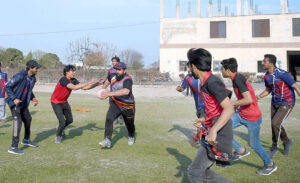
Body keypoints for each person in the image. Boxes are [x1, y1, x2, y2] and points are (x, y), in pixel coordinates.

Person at [221, 58, 276, 175]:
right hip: (241, 114)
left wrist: (231, 104)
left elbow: (248, 99)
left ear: (228, 70)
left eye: (222, 69)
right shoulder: (236, 78)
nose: (221, 71)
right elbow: (243, 97)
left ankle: (270, 164)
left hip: (252, 117)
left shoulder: (238, 79)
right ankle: (241, 150)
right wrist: (235, 107)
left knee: (255, 145)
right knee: (223, 129)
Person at [187, 48, 234, 183]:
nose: (189, 70)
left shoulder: (212, 82)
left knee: (194, 171)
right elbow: (216, 108)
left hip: (219, 133)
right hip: (213, 130)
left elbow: (229, 108)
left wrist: (213, 130)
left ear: (194, 66)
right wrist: (204, 119)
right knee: (203, 172)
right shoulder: (206, 82)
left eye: (189, 66)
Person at [257, 54, 300, 158]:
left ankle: (274, 146)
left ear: (271, 64)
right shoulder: (267, 76)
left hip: (287, 102)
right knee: (276, 124)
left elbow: (294, 85)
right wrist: (259, 96)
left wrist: (299, 93)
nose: (263, 63)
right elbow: (268, 90)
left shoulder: (282, 74)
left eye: (265, 61)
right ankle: (287, 141)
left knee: (275, 123)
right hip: (274, 103)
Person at [51, 65, 100, 144]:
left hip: (64, 102)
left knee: (70, 120)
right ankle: (58, 136)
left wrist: (96, 84)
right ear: (67, 72)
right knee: (62, 121)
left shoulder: (73, 80)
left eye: (74, 71)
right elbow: (74, 87)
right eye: (72, 71)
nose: (74, 72)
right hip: (56, 102)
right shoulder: (63, 79)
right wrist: (90, 81)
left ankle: (60, 128)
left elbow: (84, 88)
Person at [5, 60, 40, 155]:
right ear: (30, 68)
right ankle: (13, 147)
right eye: (36, 68)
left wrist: (33, 98)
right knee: (18, 123)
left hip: (23, 104)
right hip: (15, 103)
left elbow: (29, 90)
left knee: (28, 119)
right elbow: (8, 87)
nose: (37, 70)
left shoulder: (33, 79)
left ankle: (26, 140)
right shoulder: (19, 76)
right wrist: (14, 99)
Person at [99, 62, 135, 148]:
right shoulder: (112, 76)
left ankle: (131, 136)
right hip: (115, 103)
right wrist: (103, 89)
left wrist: (109, 93)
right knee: (109, 118)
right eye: (117, 69)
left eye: (120, 70)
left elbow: (126, 91)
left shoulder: (128, 79)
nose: (118, 71)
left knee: (129, 125)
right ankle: (107, 139)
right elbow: (107, 81)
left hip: (127, 106)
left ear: (124, 70)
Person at [176, 63, 205, 146]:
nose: (188, 69)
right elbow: (182, 88)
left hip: (206, 105)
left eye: (190, 68)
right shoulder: (188, 77)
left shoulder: (202, 76)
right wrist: (179, 89)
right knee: (202, 124)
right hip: (198, 106)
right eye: (187, 67)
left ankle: (197, 139)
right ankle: (200, 140)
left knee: (202, 124)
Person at [102, 56, 124, 125]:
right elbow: (108, 79)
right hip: (111, 91)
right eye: (112, 61)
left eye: (114, 61)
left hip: (119, 91)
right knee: (112, 105)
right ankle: (115, 118)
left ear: (118, 62)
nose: (113, 63)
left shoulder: (121, 70)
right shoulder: (110, 70)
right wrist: (103, 85)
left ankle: (121, 117)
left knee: (120, 105)